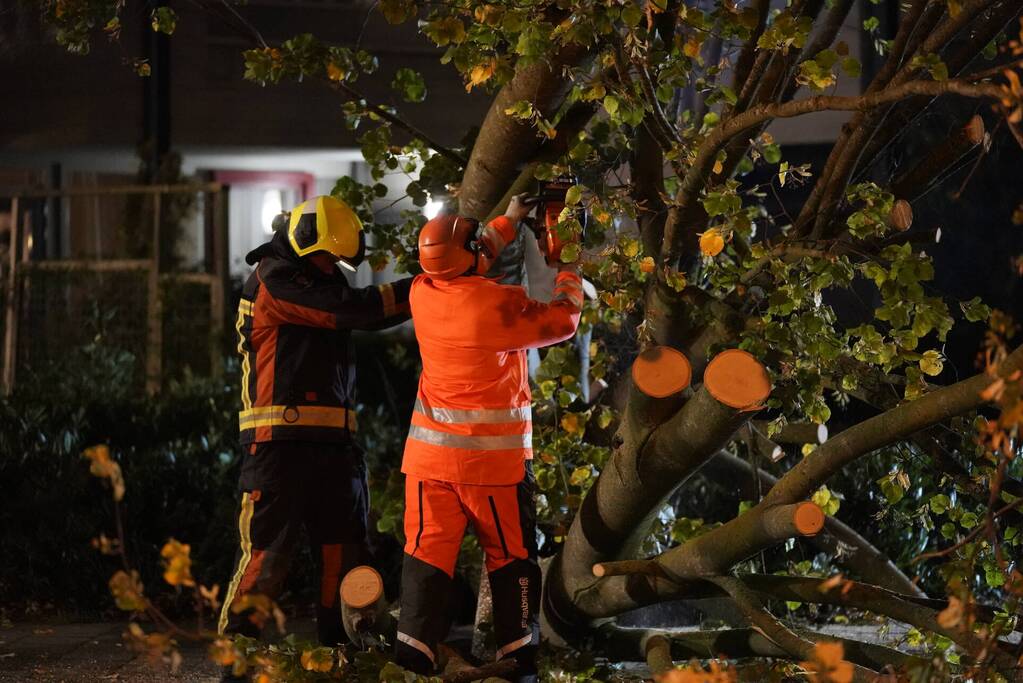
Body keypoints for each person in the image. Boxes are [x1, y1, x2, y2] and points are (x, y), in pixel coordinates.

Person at [218, 195, 412, 678]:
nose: (332, 266)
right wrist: (424, 286)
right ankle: (235, 662)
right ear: (305, 241)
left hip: (335, 450)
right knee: (266, 560)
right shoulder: (274, 279)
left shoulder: (321, 280)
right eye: (327, 256)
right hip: (278, 449)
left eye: (336, 260)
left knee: (344, 562)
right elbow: (349, 311)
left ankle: (342, 656)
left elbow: (345, 307)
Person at [395, 195, 583, 682]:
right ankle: (519, 660)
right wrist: (568, 267)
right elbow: (563, 320)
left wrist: (510, 219)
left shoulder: (421, 290)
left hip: (428, 465)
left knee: (425, 555)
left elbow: (464, 257)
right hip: (491, 468)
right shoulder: (498, 303)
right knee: (511, 559)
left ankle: (411, 662)